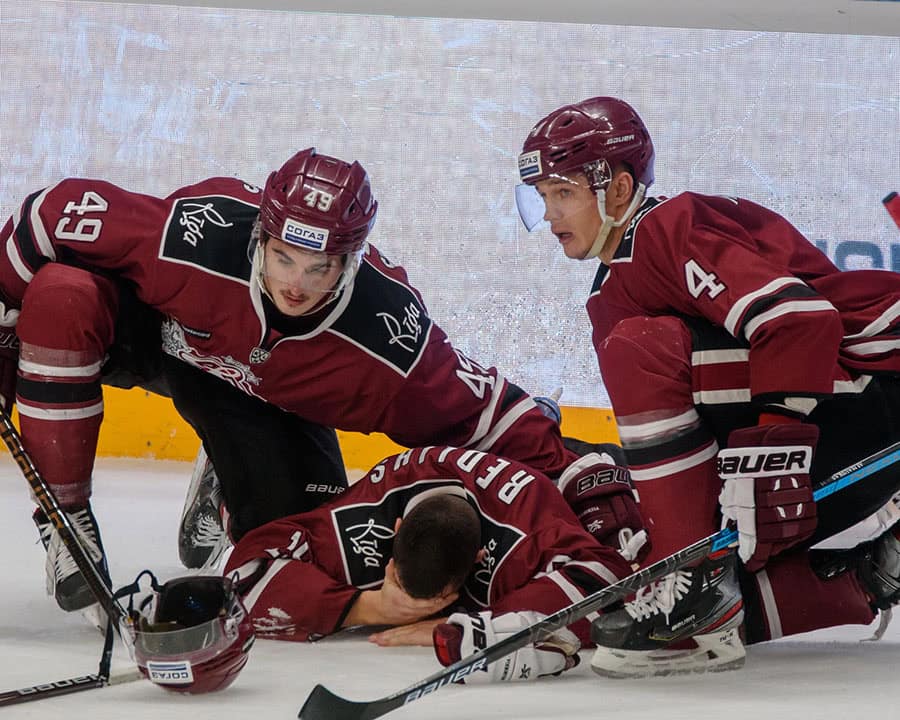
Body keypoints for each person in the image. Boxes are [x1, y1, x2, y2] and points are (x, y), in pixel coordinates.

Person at [0, 148, 643, 615]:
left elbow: (493, 414)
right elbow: (44, 218)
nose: (293, 284)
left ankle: (226, 477)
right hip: (164, 339)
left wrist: (588, 481)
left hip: (270, 400)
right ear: (260, 232)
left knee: (286, 551)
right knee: (61, 294)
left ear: (352, 260)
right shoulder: (191, 235)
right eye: (282, 256)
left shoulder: (389, 340)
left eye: (319, 268)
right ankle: (65, 518)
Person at [514, 96, 900, 676]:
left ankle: (696, 595)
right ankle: (865, 578)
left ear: (618, 189)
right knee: (691, 579)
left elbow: (797, 320)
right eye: (543, 198)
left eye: (563, 193)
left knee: (642, 353)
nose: (549, 215)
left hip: (876, 386)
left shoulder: (668, 227)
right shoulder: (607, 296)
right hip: (835, 422)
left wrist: (772, 445)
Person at [223, 444, 640, 683]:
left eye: (442, 597)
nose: (417, 605)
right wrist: (364, 608)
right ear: (395, 531)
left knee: (609, 508)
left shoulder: (527, 532)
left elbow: (610, 584)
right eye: (398, 583)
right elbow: (245, 571)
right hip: (443, 457)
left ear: (479, 560)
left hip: (542, 466)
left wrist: (482, 625)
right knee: (256, 514)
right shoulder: (362, 520)